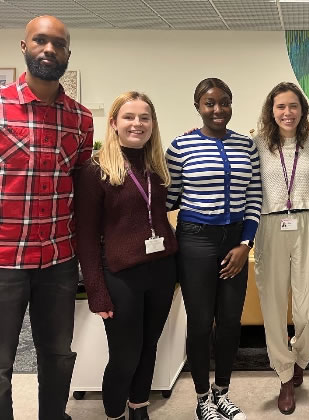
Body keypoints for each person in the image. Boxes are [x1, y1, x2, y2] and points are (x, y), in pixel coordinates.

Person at [0, 15, 93, 420]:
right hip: (4, 260)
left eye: (58, 44)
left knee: (57, 356)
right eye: (40, 41)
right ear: (24, 47)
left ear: (68, 53)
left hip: (58, 260)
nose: (49, 50)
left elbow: (81, 187)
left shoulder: (81, 119)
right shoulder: (1, 107)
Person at [74, 92, 177, 420]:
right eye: (129, 117)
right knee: (124, 356)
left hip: (161, 271)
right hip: (121, 276)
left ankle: (139, 408)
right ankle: (115, 413)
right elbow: (86, 237)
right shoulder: (95, 170)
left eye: (144, 117)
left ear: (152, 124)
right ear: (114, 123)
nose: (137, 123)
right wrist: (96, 291)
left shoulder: (157, 167)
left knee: (149, 348)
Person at [166, 78, 261, 420]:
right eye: (210, 103)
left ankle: (223, 393)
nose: (218, 109)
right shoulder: (180, 146)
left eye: (224, 102)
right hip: (196, 240)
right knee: (201, 322)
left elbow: (254, 198)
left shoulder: (246, 146)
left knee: (231, 322)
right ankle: (202, 397)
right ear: (198, 107)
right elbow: (170, 197)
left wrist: (244, 244)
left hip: (235, 239)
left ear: (231, 104)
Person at [253, 82, 309, 415]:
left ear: (302, 110)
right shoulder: (256, 144)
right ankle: (284, 375)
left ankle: (300, 356)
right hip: (270, 224)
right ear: (272, 110)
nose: (287, 112)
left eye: (293, 106)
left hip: (308, 223)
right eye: (281, 106)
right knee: (272, 302)